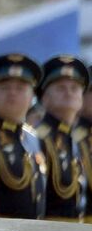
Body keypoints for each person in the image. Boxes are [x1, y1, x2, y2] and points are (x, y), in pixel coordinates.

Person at [0, 54, 46, 219]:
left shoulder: (34, 138)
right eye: (5, 88)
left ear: (32, 97)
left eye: (20, 88)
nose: (12, 93)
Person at [35, 55, 87, 221]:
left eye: (74, 88)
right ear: (44, 98)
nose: (69, 93)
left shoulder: (72, 137)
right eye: (60, 88)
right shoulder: (38, 138)